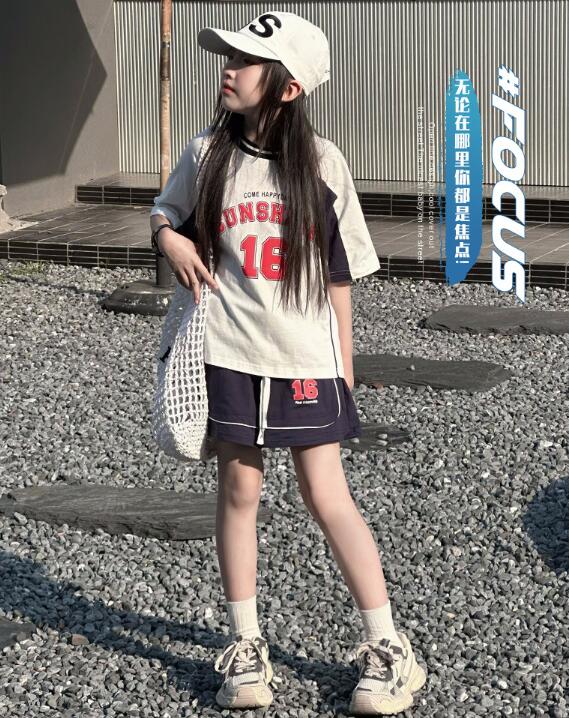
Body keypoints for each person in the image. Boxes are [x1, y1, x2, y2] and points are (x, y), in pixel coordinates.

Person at [149, 9, 427, 715]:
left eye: (246, 60)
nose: (229, 68)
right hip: (228, 354)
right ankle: (245, 648)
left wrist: (344, 368)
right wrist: (169, 239)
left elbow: (339, 278)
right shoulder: (205, 153)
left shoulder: (324, 163)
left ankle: (388, 648)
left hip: (305, 359)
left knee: (326, 496)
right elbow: (164, 213)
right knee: (239, 492)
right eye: (230, 55)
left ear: (289, 86)